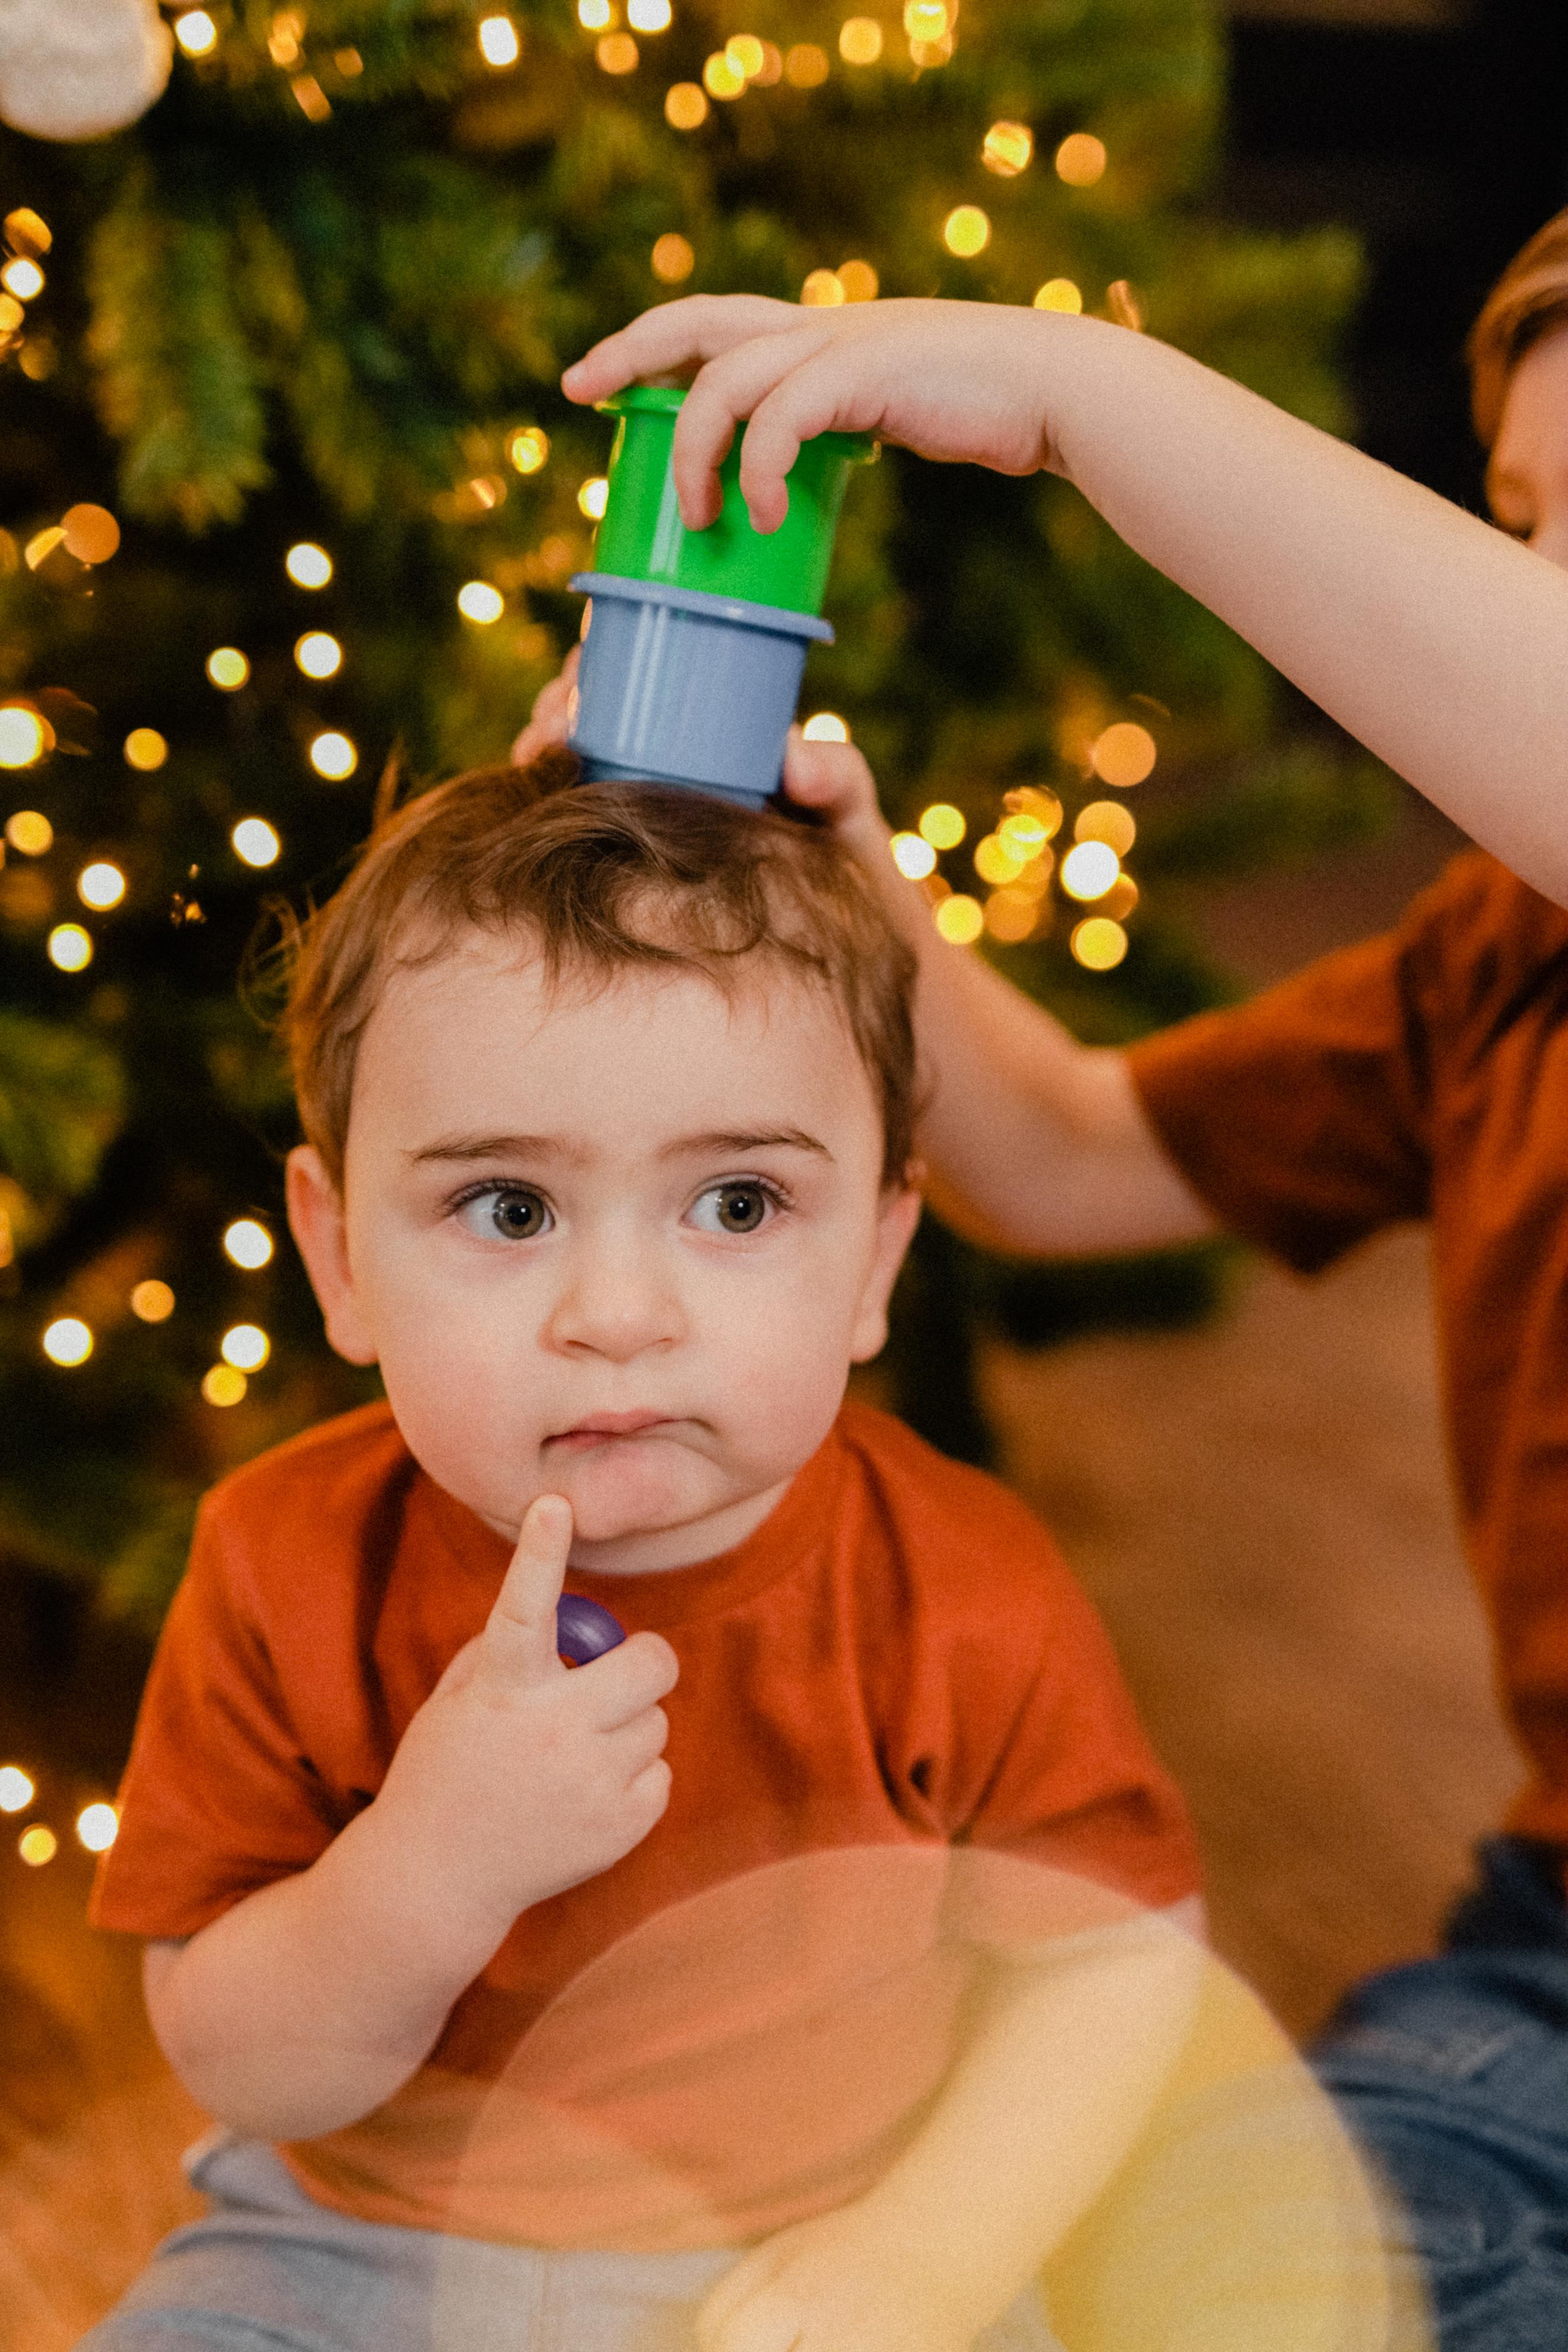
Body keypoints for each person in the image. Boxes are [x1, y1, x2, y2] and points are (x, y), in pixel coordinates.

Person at [521, 211, 1568, 2351]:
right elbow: (1070, 1163)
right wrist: (855, 895)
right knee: (1242, 2251)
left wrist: (1079, 396)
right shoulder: (1500, 960)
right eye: (1528, 528)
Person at [78, 755, 1209, 2352]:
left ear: (879, 1254)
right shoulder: (284, 1563)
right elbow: (246, 2070)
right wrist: (427, 1872)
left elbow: (1116, 1968)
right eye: (510, 1209)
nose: (618, 1315)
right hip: (355, 2257)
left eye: (738, 1205)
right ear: (340, 1258)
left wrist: (925, 2258)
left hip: (822, 2259)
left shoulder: (960, 1586)